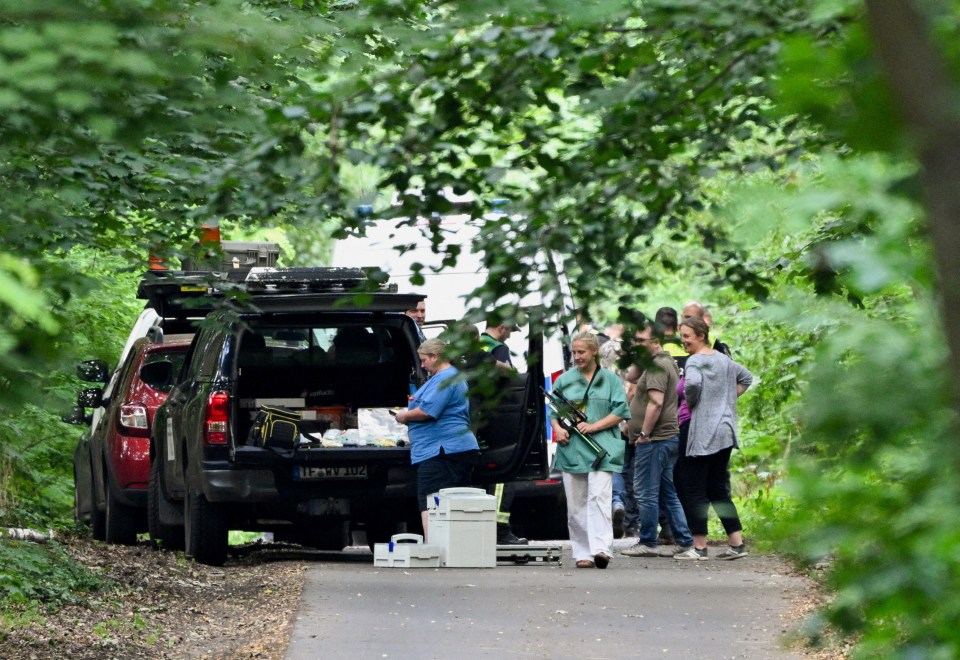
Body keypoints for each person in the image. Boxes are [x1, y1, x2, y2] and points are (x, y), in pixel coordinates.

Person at [550, 331, 630, 569]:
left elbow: (620, 412)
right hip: (572, 448)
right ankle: (582, 552)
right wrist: (558, 429)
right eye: (574, 352)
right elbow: (554, 412)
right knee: (576, 504)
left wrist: (594, 426)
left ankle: (602, 549)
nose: (577, 357)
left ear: (594, 351)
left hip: (602, 447)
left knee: (600, 498)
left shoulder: (611, 380)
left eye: (581, 352)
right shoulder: (564, 380)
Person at [619, 321, 698, 559]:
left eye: (641, 341)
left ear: (655, 341)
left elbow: (656, 403)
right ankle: (684, 540)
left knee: (646, 492)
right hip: (664, 438)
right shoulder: (657, 362)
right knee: (667, 492)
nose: (636, 345)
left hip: (655, 440)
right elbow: (632, 377)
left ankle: (648, 541)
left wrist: (644, 433)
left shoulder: (657, 367)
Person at [676, 317, 753, 560]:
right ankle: (736, 543)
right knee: (717, 487)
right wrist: (726, 401)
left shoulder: (695, 361)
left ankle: (699, 546)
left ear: (701, 335)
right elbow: (747, 378)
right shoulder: (724, 360)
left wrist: (692, 402)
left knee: (692, 486)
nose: (683, 340)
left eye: (687, 335)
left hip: (701, 431)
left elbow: (693, 385)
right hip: (725, 430)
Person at [394, 338, 479, 541]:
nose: (422, 365)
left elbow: (428, 411)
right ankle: (453, 549)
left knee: (430, 500)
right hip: (450, 448)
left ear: (435, 356)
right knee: (452, 503)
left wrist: (404, 416)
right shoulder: (443, 377)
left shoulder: (446, 379)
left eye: (424, 360)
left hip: (442, 451)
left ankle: (436, 549)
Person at [476, 317, 527, 545]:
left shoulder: (476, 345)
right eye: (510, 331)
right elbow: (506, 378)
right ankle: (500, 530)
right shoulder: (499, 349)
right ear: (502, 327)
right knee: (503, 477)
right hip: (497, 418)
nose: (509, 335)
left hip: (476, 419)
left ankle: (482, 529)